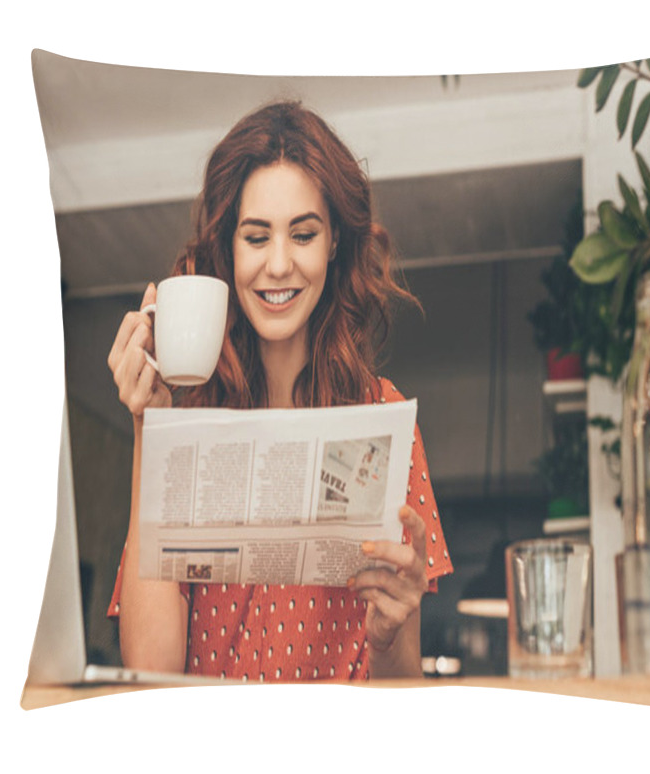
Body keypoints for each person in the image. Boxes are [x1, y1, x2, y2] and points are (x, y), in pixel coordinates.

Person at [106, 100, 452, 682]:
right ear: (229, 248)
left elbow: (402, 689)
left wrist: (390, 632)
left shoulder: (384, 417)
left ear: (334, 242)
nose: (280, 264)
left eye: (303, 233)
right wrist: (152, 426)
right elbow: (149, 671)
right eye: (256, 237)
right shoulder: (189, 419)